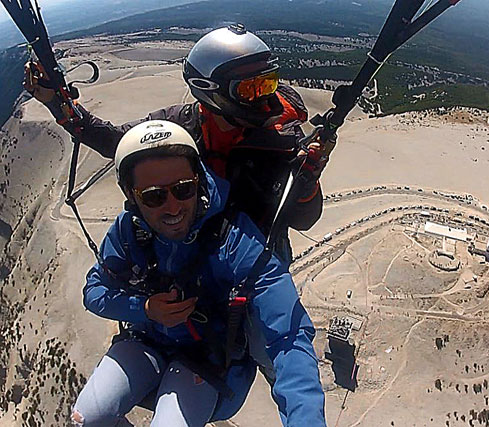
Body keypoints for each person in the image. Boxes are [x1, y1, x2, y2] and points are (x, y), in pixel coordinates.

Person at [70, 120, 326, 426]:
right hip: (146, 341)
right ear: (131, 194)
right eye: (154, 196)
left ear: (198, 182)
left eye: (183, 190)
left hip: (207, 360)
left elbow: (289, 334)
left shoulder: (234, 239)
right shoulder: (128, 232)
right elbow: (95, 291)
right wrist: (147, 309)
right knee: (86, 418)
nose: (173, 207)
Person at [24, 23, 328, 263]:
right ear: (210, 90)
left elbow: (304, 220)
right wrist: (57, 104)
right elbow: (118, 142)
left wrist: (307, 182)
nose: (264, 99)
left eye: (268, 83)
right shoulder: (175, 127)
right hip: (191, 252)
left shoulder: (282, 139)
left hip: (257, 262)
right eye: (250, 89)